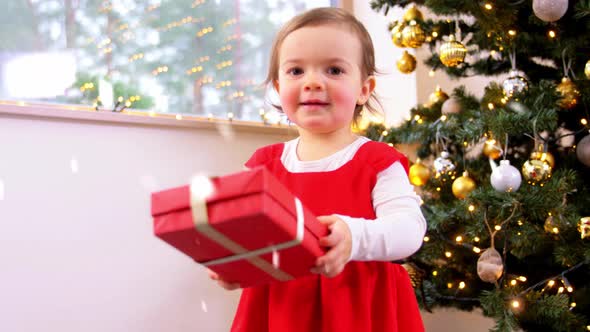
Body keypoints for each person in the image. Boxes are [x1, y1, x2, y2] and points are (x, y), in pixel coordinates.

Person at [208, 7, 426, 332]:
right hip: (280, 310)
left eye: (334, 70)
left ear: (364, 89)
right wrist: (235, 264)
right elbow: (242, 234)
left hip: (360, 311)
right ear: (278, 87)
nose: (312, 82)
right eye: (296, 71)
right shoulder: (261, 166)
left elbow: (410, 230)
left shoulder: (378, 161)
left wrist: (355, 237)